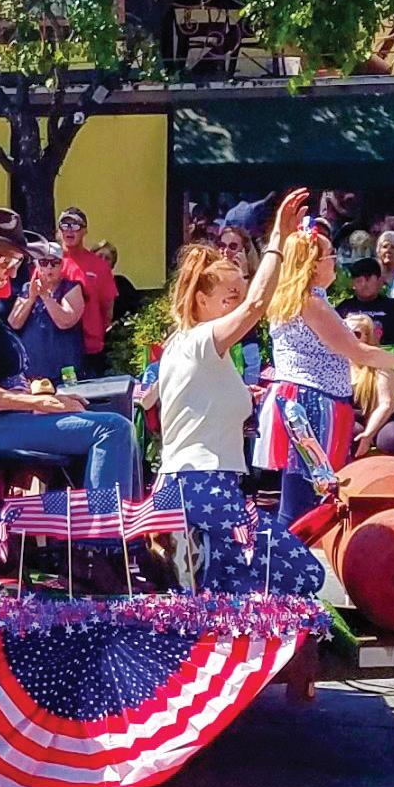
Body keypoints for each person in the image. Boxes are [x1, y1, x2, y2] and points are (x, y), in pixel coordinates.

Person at [159, 188, 321, 596]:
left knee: (236, 585)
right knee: (301, 575)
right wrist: (278, 241)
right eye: (229, 297)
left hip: (206, 484)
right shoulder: (201, 339)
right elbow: (256, 306)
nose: (238, 304)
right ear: (201, 299)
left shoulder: (198, 347)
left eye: (239, 293)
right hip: (201, 484)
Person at [0, 209, 137, 495]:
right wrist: (39, 403)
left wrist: (44, 399)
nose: (12, 272)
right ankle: (104, 523)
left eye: (16, 263)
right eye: (5, 260)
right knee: (112, 430)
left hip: (9, 418)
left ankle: (100, 515)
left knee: (111, 414)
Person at [259, 223, 394, 527]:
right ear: (313, 265)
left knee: (306, 492)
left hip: (307, 399)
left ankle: (288, 553)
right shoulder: (310, 302)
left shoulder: (302, 299)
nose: (336, 261)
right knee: (301, 498)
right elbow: (359, 351)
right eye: (330, 255)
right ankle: (282, 554)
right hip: (309, 403)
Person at [3, 242, 84, 381]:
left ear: (62, 265)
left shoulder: (71, 288)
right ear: (37, 265)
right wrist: (31, 298)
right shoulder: (28, 288)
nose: (49, 267)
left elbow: (65, 321)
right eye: (44, 262)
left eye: (54, 263)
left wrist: (46, 297)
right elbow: (14, 323)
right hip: (33, 373)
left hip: (64, 371)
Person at [55, 208, 120, 375]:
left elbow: (108, 307)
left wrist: (98, 332)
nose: (70, 230)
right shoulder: (48, 262)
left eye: (76, 225)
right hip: (54, 346)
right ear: (58, 230)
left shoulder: (99, 266)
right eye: (65, 225)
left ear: (84, 231)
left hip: (89, 348)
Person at [345, 314, 394, 459]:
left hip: (382, 417)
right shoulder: (336, 364)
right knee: (349, 432)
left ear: (367, 338)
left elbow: (387, 405)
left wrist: (368, 434)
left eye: (356, 334)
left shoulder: (381, 365)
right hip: (352, 418)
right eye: (345, 332)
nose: (350, 338)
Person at [335, 259, 394, 346]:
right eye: (359, 281)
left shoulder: (392, 308)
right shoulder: (344, 308)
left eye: (368, 279)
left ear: (379, 280)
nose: (364, 285)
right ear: (353, 284)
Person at [94, 241, 143, 321]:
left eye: (107, 258)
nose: (102, 261)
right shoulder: (83, 283)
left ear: (112, 264)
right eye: (99, 256)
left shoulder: (122, 283)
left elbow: (138, 308)